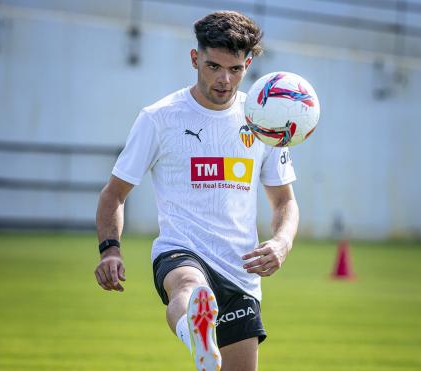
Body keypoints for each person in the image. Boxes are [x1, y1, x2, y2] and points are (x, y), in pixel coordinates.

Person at [94, 10, 299, 371]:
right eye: (213, 66)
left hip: (241, 270)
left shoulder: (263, 121)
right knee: (188, 285)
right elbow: (114, 193)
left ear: (248, 64)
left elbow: (284, 202)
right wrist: (110, 250)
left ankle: (201, 334)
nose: (224, 79)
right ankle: (195, 329)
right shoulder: (159, 118)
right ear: (195, 59)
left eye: (235, 69)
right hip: (181, 250)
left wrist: (281, 243)